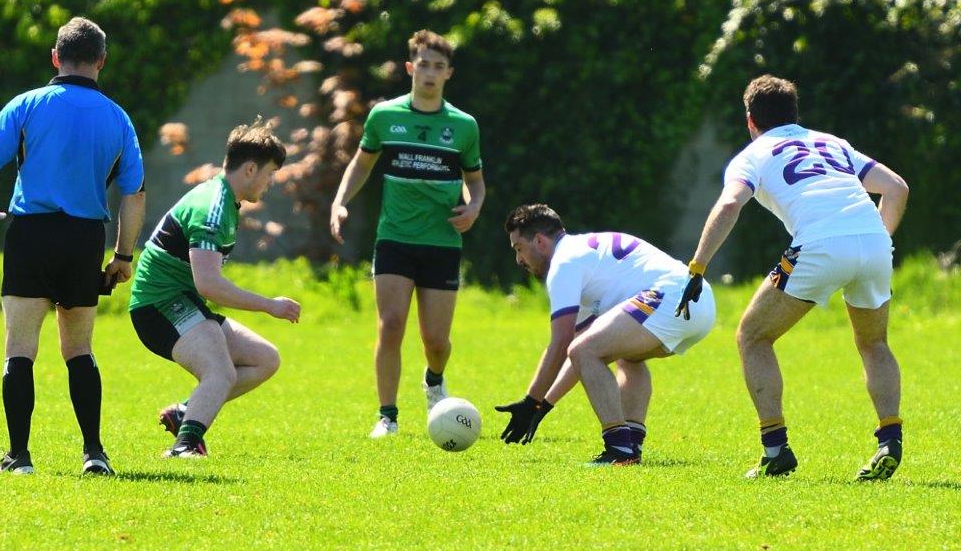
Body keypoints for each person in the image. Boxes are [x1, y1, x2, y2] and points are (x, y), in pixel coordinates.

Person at [679, 75, 909, 480]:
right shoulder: (832, 142)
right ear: (795, 114)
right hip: (874, 242)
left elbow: (730, 204)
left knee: (752, 336)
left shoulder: (752, 154)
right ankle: (889, 440)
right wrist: (874, 240)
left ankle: (775, 450)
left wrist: (697, 265)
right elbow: (896, 188)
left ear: (750, 120)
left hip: (819, 245)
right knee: (874, 342)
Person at [0, 17, 146, 476]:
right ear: (101, 61)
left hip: (32, 234)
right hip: (85, 239)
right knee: (79, 349)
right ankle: (94, 454)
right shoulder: (118, 118)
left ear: (55, 57)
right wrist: (124, 255)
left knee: (20, 348)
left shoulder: (27, 104)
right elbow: (134, 194)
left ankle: (19, 457)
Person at [330, 30, 485, 438]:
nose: (430, 73)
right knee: (391, 323)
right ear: (410, 68)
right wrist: (340, 201)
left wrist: (473, 207)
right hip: (395, 238)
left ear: (448, 73)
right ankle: (387, 416)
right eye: (424, 65)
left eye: (439, 67)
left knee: (436, 341)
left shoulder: (464, 126)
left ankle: (434, 379)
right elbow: (362, 165)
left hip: (442, 243)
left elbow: (476, 182)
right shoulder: (385, 116)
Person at [129, 119, 300, 458]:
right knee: (219, 372)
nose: (270, 184)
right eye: (269, 174)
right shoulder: (213, 208)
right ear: (250, 169)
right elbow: (208, 284)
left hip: (183, 301)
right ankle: (185, 447)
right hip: (159, 305)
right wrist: (270, 305)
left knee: (265, 359)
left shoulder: (225, 199)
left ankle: (185, 413)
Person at [496, 204, 716, 465]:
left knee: (586, 350)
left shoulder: (563, 264)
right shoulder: (582, 256)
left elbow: (564, 344)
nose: (519, 260)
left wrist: (531, 400)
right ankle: (630, 443)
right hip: (701, 303)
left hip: (671, 296)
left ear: (540, 241)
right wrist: (544, 404)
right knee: (621, 356)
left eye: (519, 248)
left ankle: (619, 449)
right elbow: (579, 353)